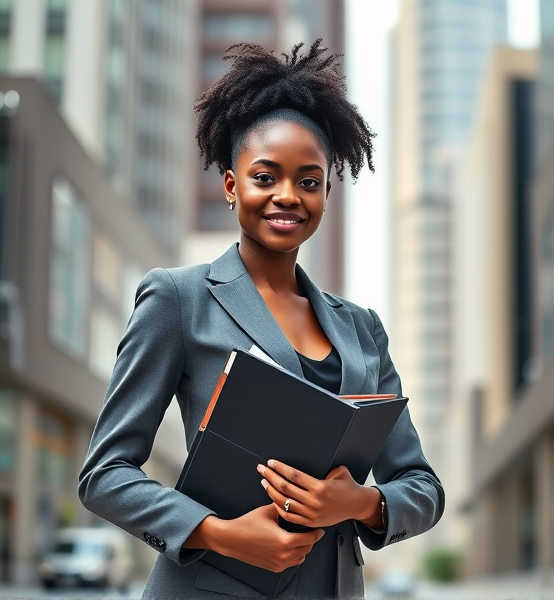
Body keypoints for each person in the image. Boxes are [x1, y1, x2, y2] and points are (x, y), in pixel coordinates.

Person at [78, 40, 444, 600]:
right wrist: (219, 533)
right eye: (265, 176)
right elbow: (104, 474)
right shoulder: (178, 299)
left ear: (325, 193)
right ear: (231, 185)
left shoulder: (363, 329)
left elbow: (422, 487)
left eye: (309, 181)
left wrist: (363, 503)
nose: (287, 196)